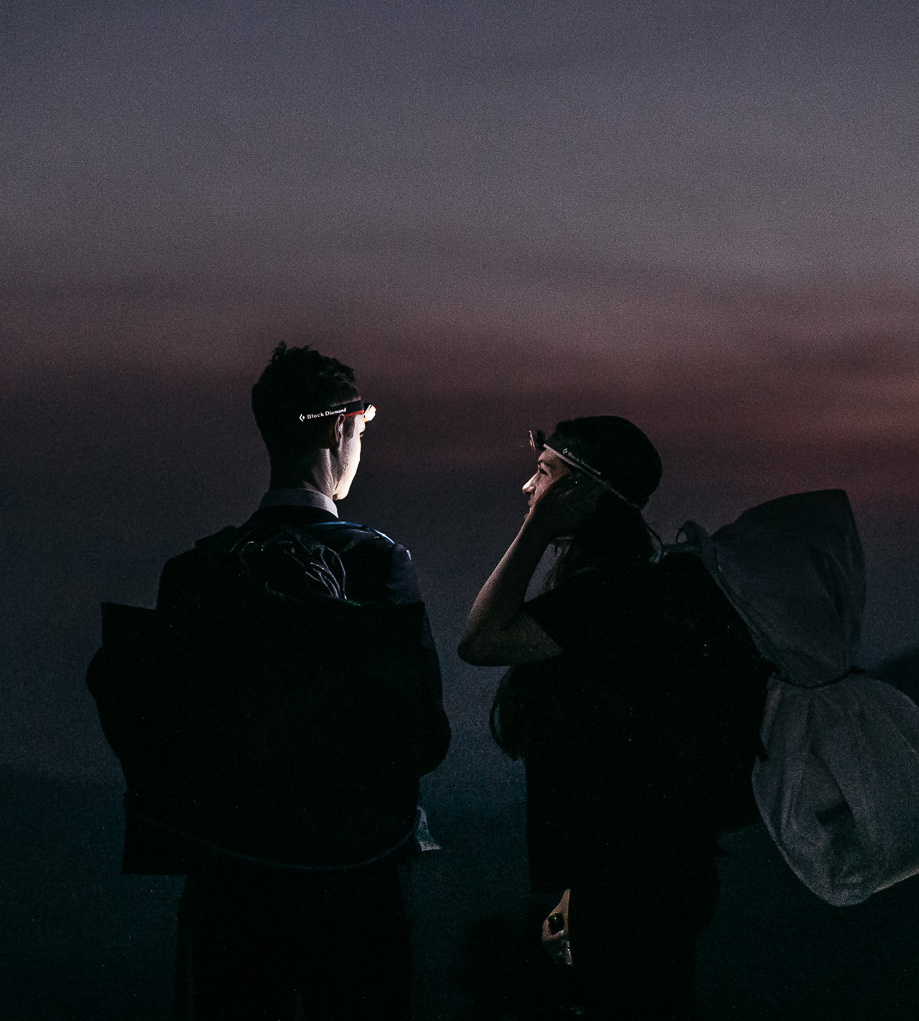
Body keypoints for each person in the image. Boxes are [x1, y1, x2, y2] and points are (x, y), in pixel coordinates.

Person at [96, 343, 450, 1021]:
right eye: (362, 426)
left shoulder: (196, 571)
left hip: (231, 881)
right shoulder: (378, 564)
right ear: (334, 427)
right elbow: (426, 739)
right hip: (354, 879)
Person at [457, 416, 771, 1020]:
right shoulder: (616, 589)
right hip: (638, 874)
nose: (528, 489)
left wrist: (535, 529)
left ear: (588, 493)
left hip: (629, 881)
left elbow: (482, 638)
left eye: (545, 476)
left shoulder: (613, 596)